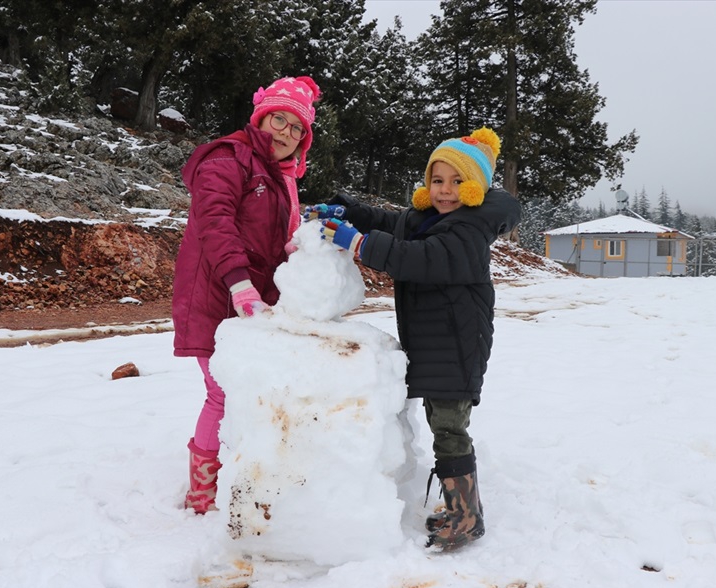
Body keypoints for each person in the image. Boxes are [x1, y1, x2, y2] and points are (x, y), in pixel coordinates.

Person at [305, 127, 521, 551]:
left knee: (448, 426)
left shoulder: (468, 232)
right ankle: (461, 507)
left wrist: (360, 244)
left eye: (458, 182)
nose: (445, 190)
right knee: (442, 421)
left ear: (476, 186)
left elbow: (420, 258)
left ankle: (466, 516)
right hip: (437, 342)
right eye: (437, 180)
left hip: (459, 344)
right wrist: (349, 212)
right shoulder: (430, 218)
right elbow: (393, 222)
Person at [172, 75, 321, 514]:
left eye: (299, 130)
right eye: (280, 119)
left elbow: (272, 241)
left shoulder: (280, 177)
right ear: (261, 117)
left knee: (249, 392)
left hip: (254, 302)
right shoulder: (228, 158)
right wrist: (240, 285)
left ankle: (244, 472)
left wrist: (302, 248)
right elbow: (215, 222)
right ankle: (201, 493)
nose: (287, 134)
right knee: (221, 393)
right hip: (218, 296)